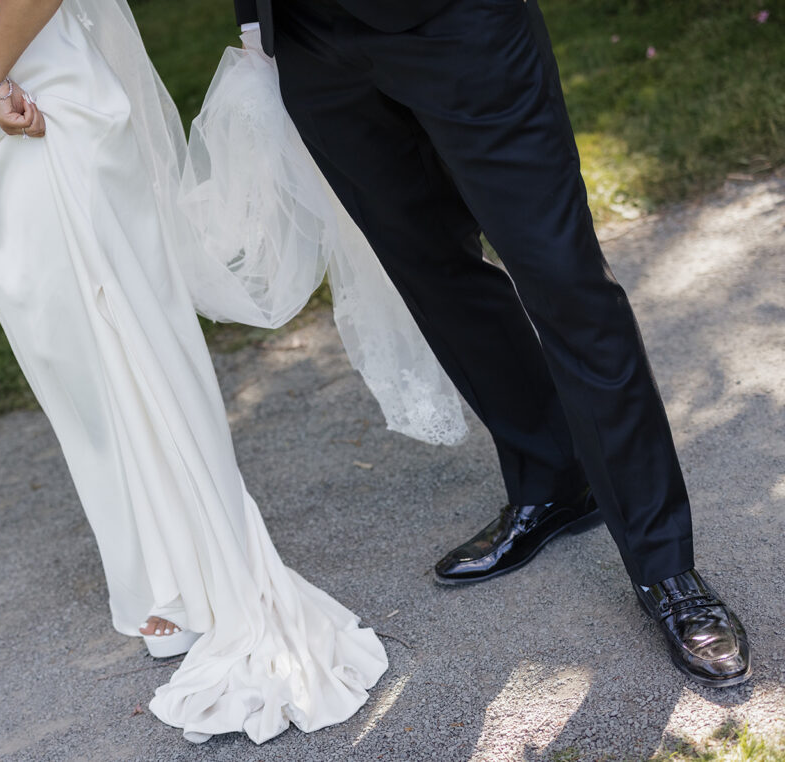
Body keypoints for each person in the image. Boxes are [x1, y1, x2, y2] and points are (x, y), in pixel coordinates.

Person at [0, 0, 391, 743]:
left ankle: (215, 571)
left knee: (126, 335)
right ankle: (155, 578)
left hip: (34, 94)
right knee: (66, 359)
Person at [231, 0, 751, 687]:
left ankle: (666, 569)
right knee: (432, 271)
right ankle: (553, 478)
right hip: (309, 40)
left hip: (461, 26)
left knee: (565, 284)